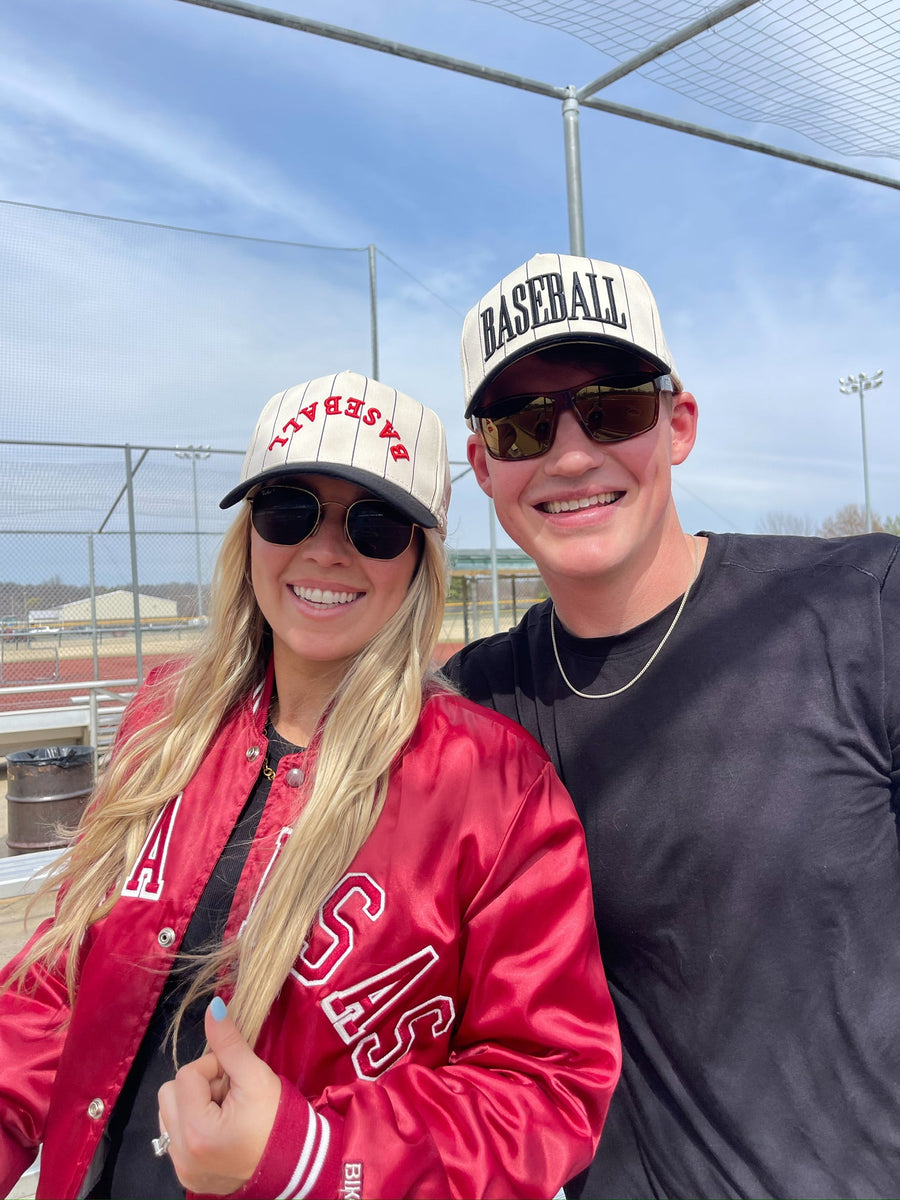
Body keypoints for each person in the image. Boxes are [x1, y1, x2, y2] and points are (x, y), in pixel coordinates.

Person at [0, 369, 621, 1200]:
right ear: (248, 533)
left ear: (419, 563)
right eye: (288, 508)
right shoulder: (165, 719)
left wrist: (312, 1158)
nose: (326, 550)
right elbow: (55, 985)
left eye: (375, 525)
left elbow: (549, 1087)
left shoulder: (495, 788)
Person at [444, 253, 900, 1200]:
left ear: (679, 424)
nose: (570, 456)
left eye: (612, 409)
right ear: (485, 466)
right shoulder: (471, 708)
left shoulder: (862, 608)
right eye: (524, 424)